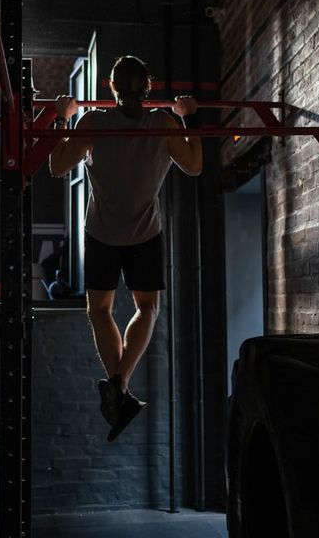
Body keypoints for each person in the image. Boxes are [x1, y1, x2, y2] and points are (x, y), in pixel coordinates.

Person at [50, 55, 201, 441]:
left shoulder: (93, 122)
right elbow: (195, 165)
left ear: (111, 87)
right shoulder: (163, 123)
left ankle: (118, 385)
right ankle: (119, 384)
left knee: (98, 310)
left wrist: (62, 117)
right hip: (144, 234)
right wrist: (188, 117)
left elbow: (56, 166)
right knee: (147, 308)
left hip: (101, 232)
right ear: (147, 88)